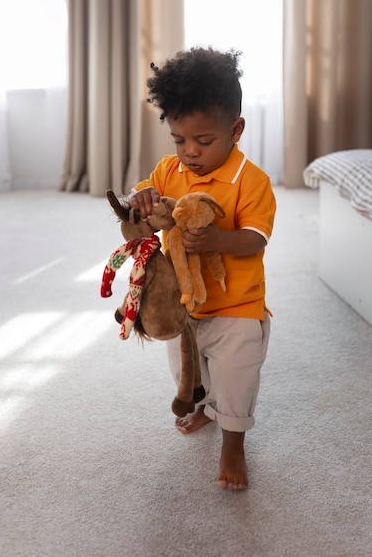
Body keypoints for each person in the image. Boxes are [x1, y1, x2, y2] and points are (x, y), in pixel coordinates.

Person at [128, 47, 276, 490]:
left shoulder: (251, 181)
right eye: (179, 139)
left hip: (237, 307)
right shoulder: (168, 172)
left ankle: (233, 443)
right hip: (185, 306)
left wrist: (217, 240)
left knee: (235, 377)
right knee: (191, 373)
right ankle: (205, 410)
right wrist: (137, 208)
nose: (189, 152)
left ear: (235, 130)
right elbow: (134, 232)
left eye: (204, 141)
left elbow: (255, 239)